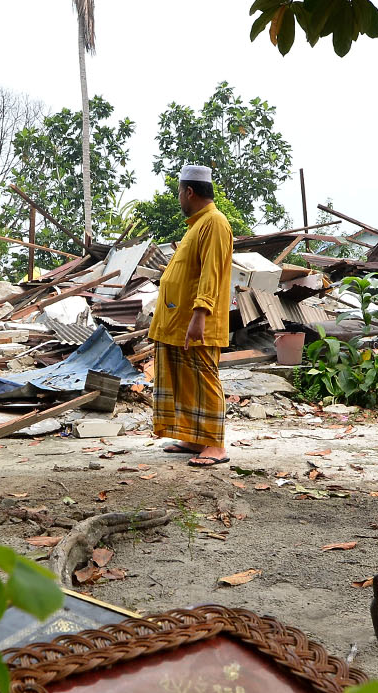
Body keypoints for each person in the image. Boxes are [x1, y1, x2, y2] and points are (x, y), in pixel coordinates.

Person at [150, 164, 234, 467]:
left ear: (189, 191)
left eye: (179, 193)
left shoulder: (215, 223)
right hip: (178, 321)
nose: (178, 199)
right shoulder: (197, 225)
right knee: (185, 381)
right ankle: (196, 437)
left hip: (198, 321)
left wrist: (200, 314)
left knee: (203, 378)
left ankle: (215, 445)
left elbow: (211, 274)